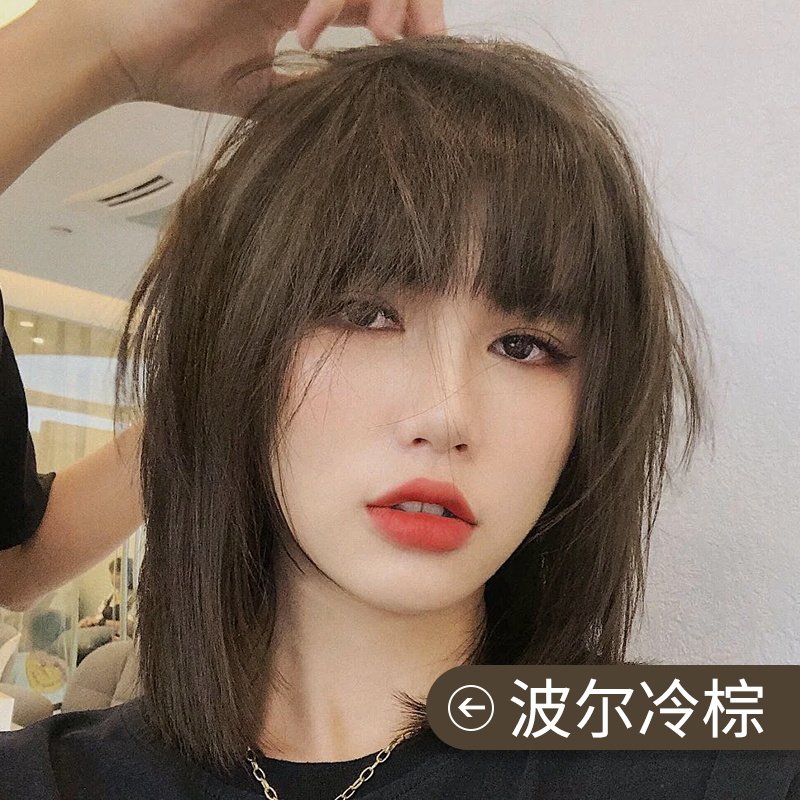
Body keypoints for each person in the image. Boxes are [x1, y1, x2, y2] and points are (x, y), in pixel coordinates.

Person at [0, 2, 798, 800]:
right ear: (234, 351)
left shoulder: (713, 754)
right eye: (365, 315)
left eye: (525, 346)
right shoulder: (53, 780)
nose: (446, 417)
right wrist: (95, 38)